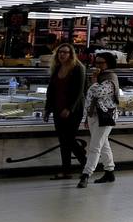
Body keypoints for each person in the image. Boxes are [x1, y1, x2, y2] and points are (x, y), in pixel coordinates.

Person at [43, 43, 88, 180]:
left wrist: (69, 108)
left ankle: (87, 165)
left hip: (73, 110)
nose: (62, 54)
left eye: (65, 52)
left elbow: (79, 91)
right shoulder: (57, 67)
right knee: (63, 141)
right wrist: (48, 109)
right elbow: (51, 90)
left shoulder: (78, 68)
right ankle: (67, 170)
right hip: (57, 108)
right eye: (60, 52)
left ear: (71, 54)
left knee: (69, 139)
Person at [78, 53, 120, 188]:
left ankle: (86, 174)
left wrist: (95, 81)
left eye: (101, 63)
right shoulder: (99, 77)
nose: (97, 65)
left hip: (105, 117)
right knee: (103, 145)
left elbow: (98, 93)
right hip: (94, 115)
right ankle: (109, 172)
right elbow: (89, 98)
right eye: (96, 62)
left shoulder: (110, 78)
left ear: (108, 63)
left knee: (95, 146)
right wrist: (87, 116)